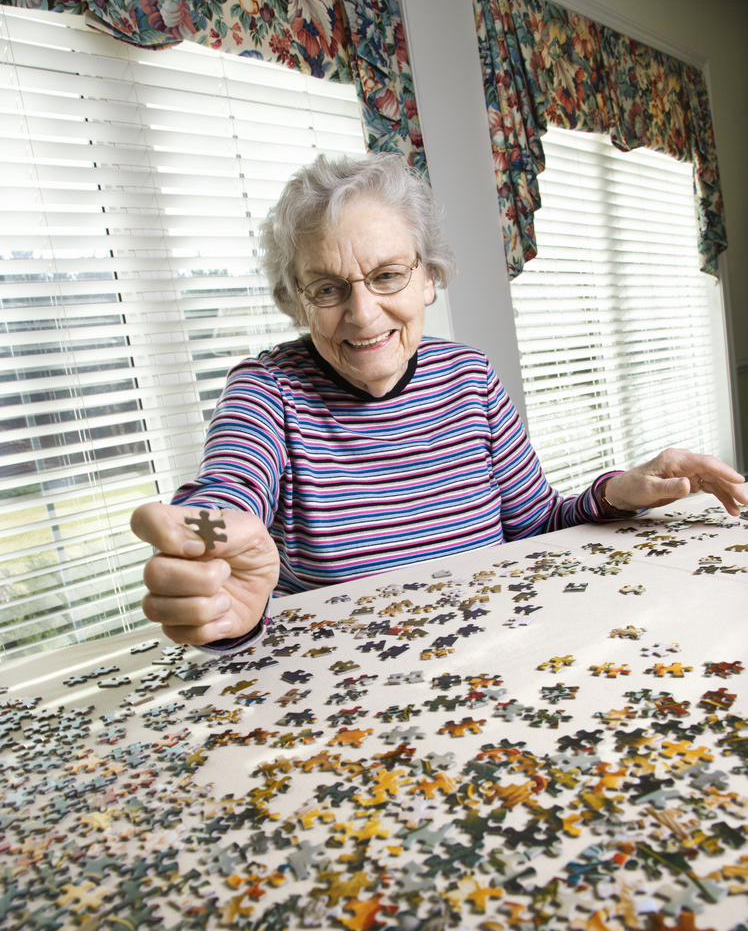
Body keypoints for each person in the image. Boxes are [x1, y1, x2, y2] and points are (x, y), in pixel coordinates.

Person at [130, 153, 747, 651]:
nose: (363, 312)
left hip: (505, 654)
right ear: (295, 302)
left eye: (387, 276)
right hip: (343, 696)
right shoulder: (267, 392)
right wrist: (207, 542)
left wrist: (615, 492)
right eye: (327, 288)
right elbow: (223, 501)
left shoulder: (470, 378)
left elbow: (534, 525)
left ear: (429, 277)